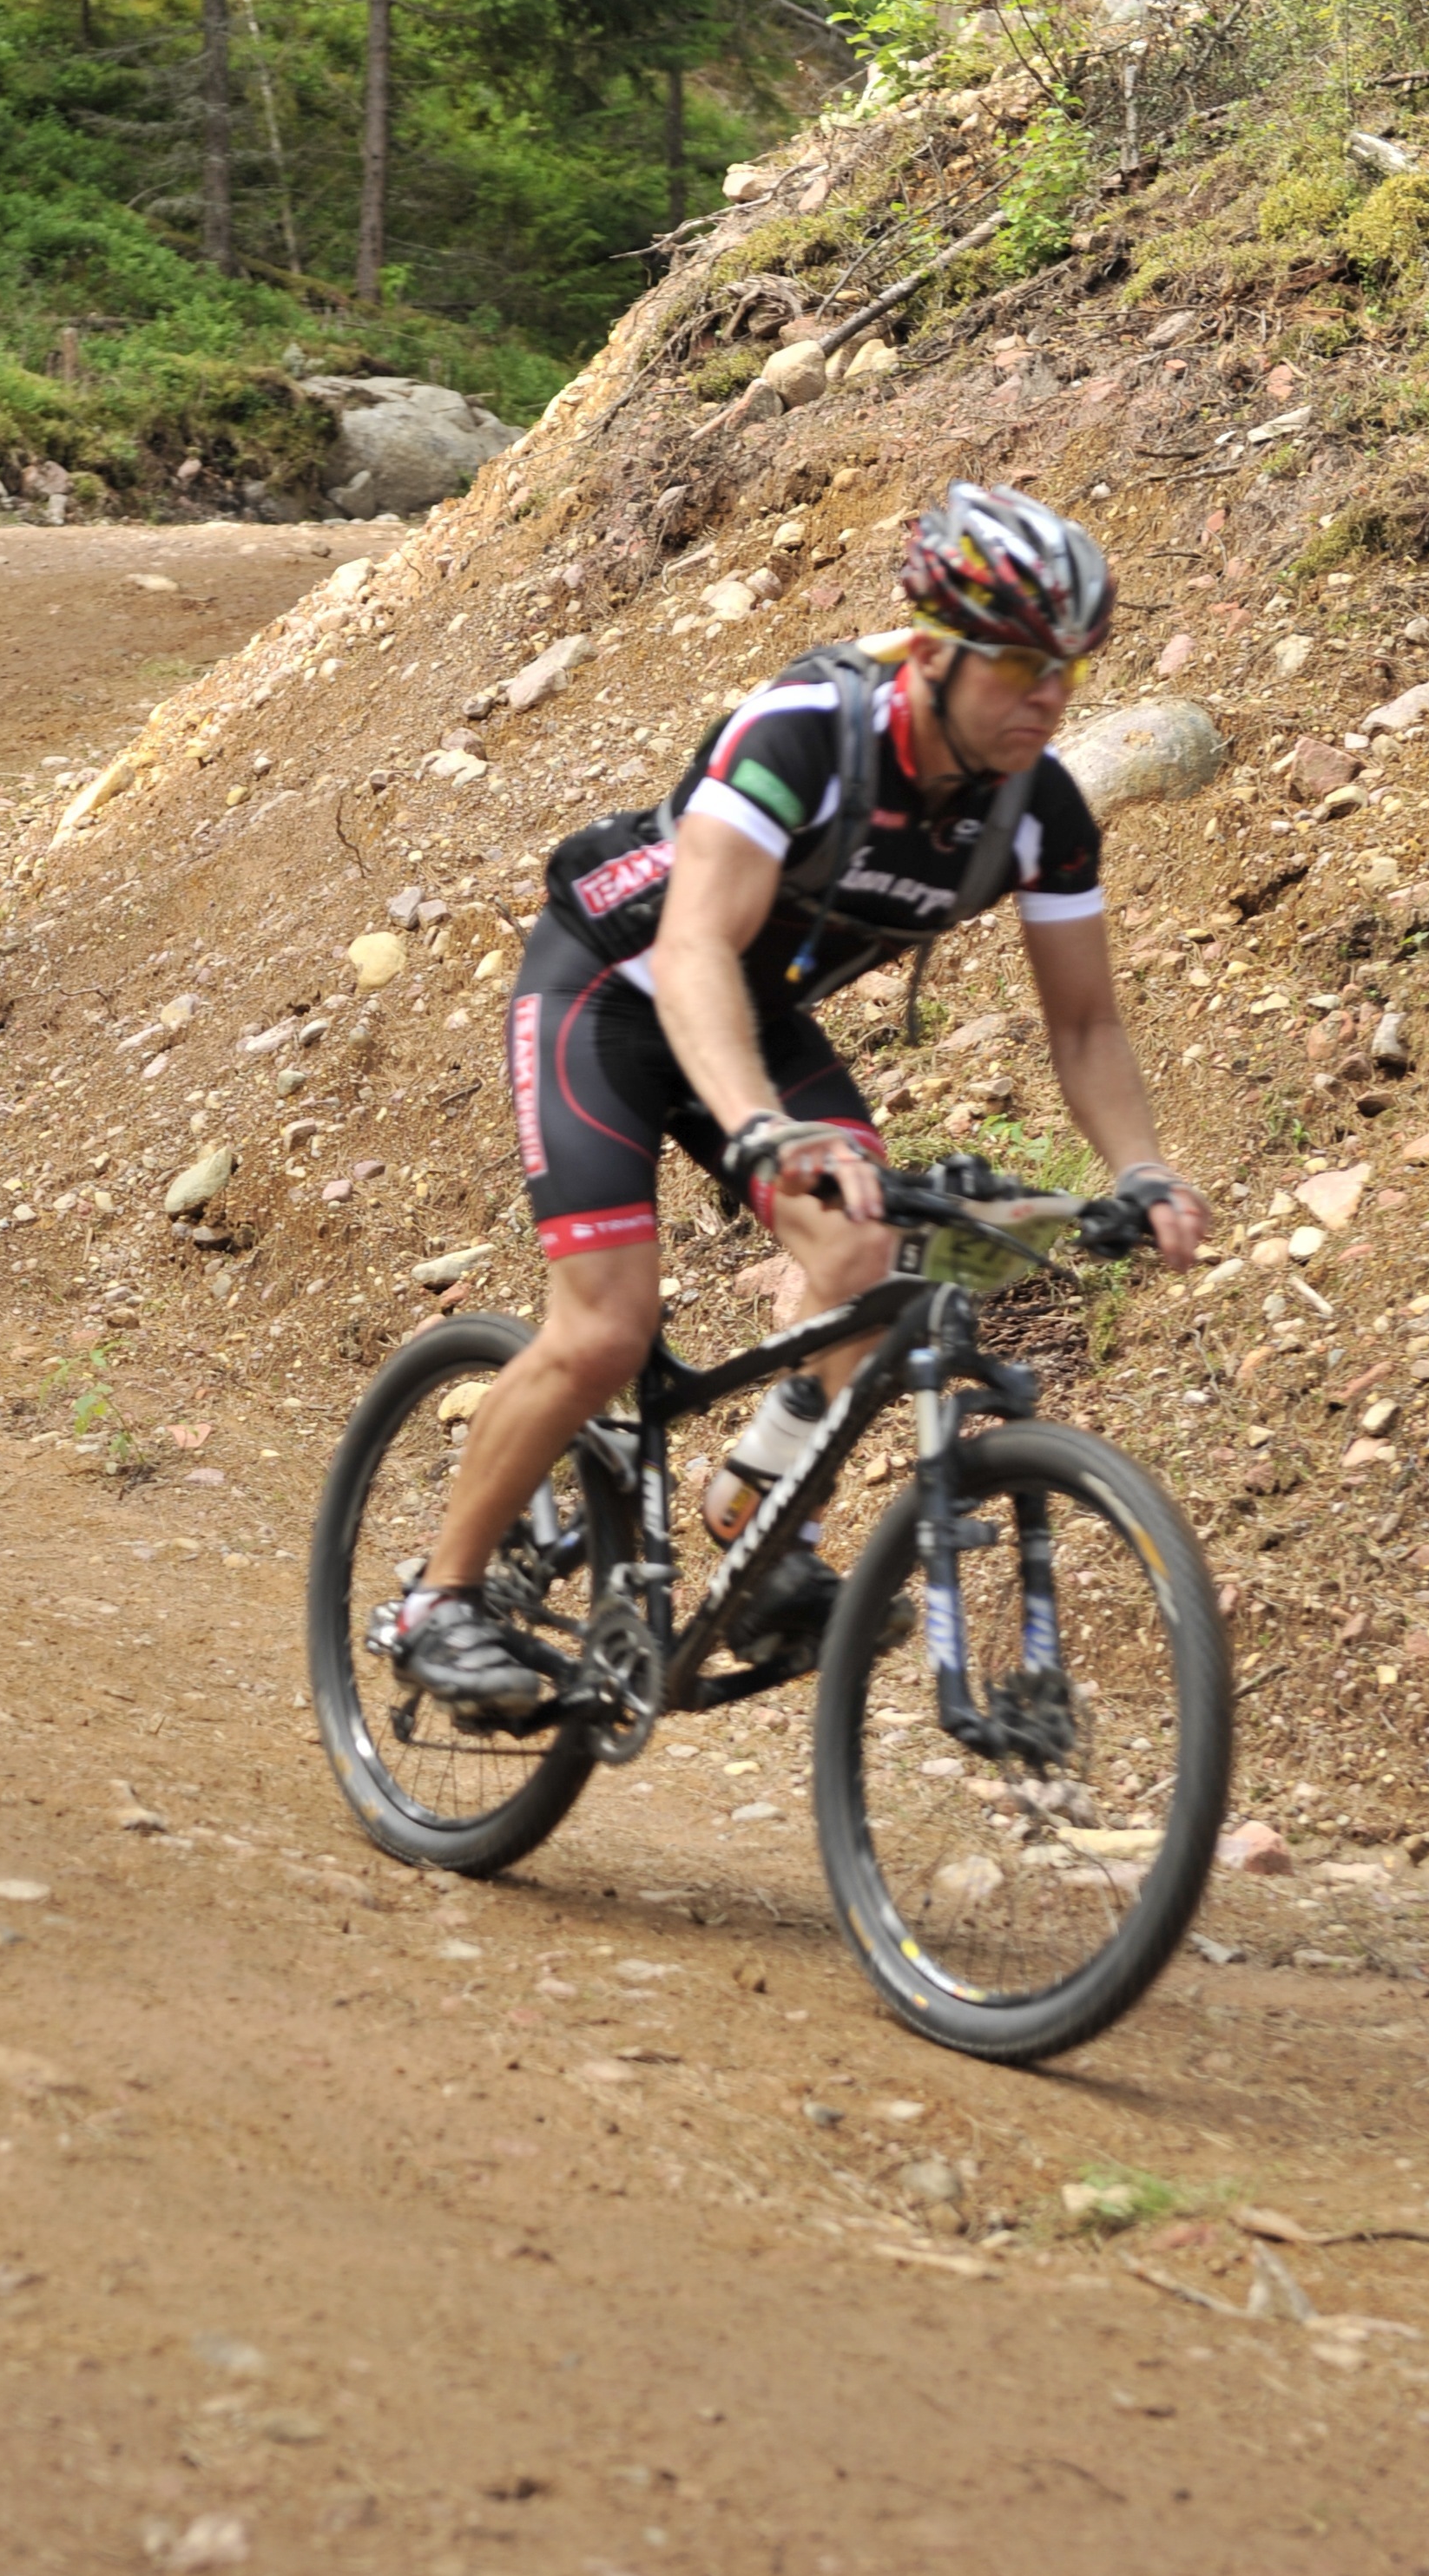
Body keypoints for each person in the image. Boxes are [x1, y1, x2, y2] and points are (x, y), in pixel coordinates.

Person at [396, 482, 1209, 1721]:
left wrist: (1143, 1168)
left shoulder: (1038, 811)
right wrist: (763, 1129)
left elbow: (1086, 1024)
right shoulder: (804, 734)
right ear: (932, 652)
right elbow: (692, 950)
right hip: (612, 989)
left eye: (1068, 672)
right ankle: (437, 1600)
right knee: (607, 1327)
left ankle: (760, 1518)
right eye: (1018, 666)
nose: (1048, 698)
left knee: (870, 1246)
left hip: (752, 1014)